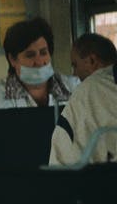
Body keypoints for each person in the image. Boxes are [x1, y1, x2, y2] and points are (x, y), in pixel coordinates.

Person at [49, 33, 117, 166]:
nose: (74, 73)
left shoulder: (87, 92)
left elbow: (62, 159)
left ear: (92, 60)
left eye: (75, 65)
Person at [0, 17, 78, 109]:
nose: (39, 61)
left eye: (43, 53)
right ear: (12, 59)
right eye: (30, 55)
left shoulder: (74, 88)